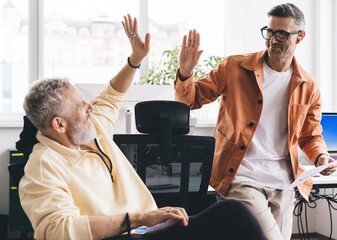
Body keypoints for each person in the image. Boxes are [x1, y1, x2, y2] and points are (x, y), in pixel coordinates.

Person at [18, 14, 267, 240]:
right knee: (235, 215)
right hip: (127, 234)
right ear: (59, 124)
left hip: (150, 229)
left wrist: (135, 60)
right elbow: (56, 231)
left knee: (234, 214)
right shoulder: (43, 166)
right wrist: (137, 218)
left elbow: (111, 95)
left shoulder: (90, 129)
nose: (90, 107)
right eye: (81, 106)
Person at [175, 3, 337, 240]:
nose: (273, 40)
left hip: (285, 183)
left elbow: (310, 135)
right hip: (242, 177)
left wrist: (321, 157)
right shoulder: (234, 67)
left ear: (300, 37)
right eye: (270, 32)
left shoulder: (309, 85)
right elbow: (190, 100)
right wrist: (185, 72)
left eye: (282, 34)